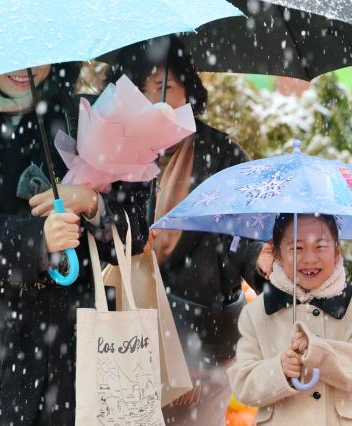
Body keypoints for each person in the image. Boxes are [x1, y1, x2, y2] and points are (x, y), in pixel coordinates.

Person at [0, 64, 149, 424]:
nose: (26, 68)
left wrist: (91, 202)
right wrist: (33, 239)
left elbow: (136, 230)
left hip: (76, 346)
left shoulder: (82, 117)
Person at [108, 36, 272, 425]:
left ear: (190, 92)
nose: (158, 101)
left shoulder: (221, 155)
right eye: (145, 91)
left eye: (168, 88)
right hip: (127, 345)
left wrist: (263, 259)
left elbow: (244, 235)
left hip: (202, 339)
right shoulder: (110, 155)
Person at [227, 213, 352, 426]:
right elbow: (243, 384)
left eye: (320, 246)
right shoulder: (256, 313)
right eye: (297, 248)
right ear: (277, 254)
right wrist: (278, 369)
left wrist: (319, 353)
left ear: (337, 250)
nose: (310, 258)